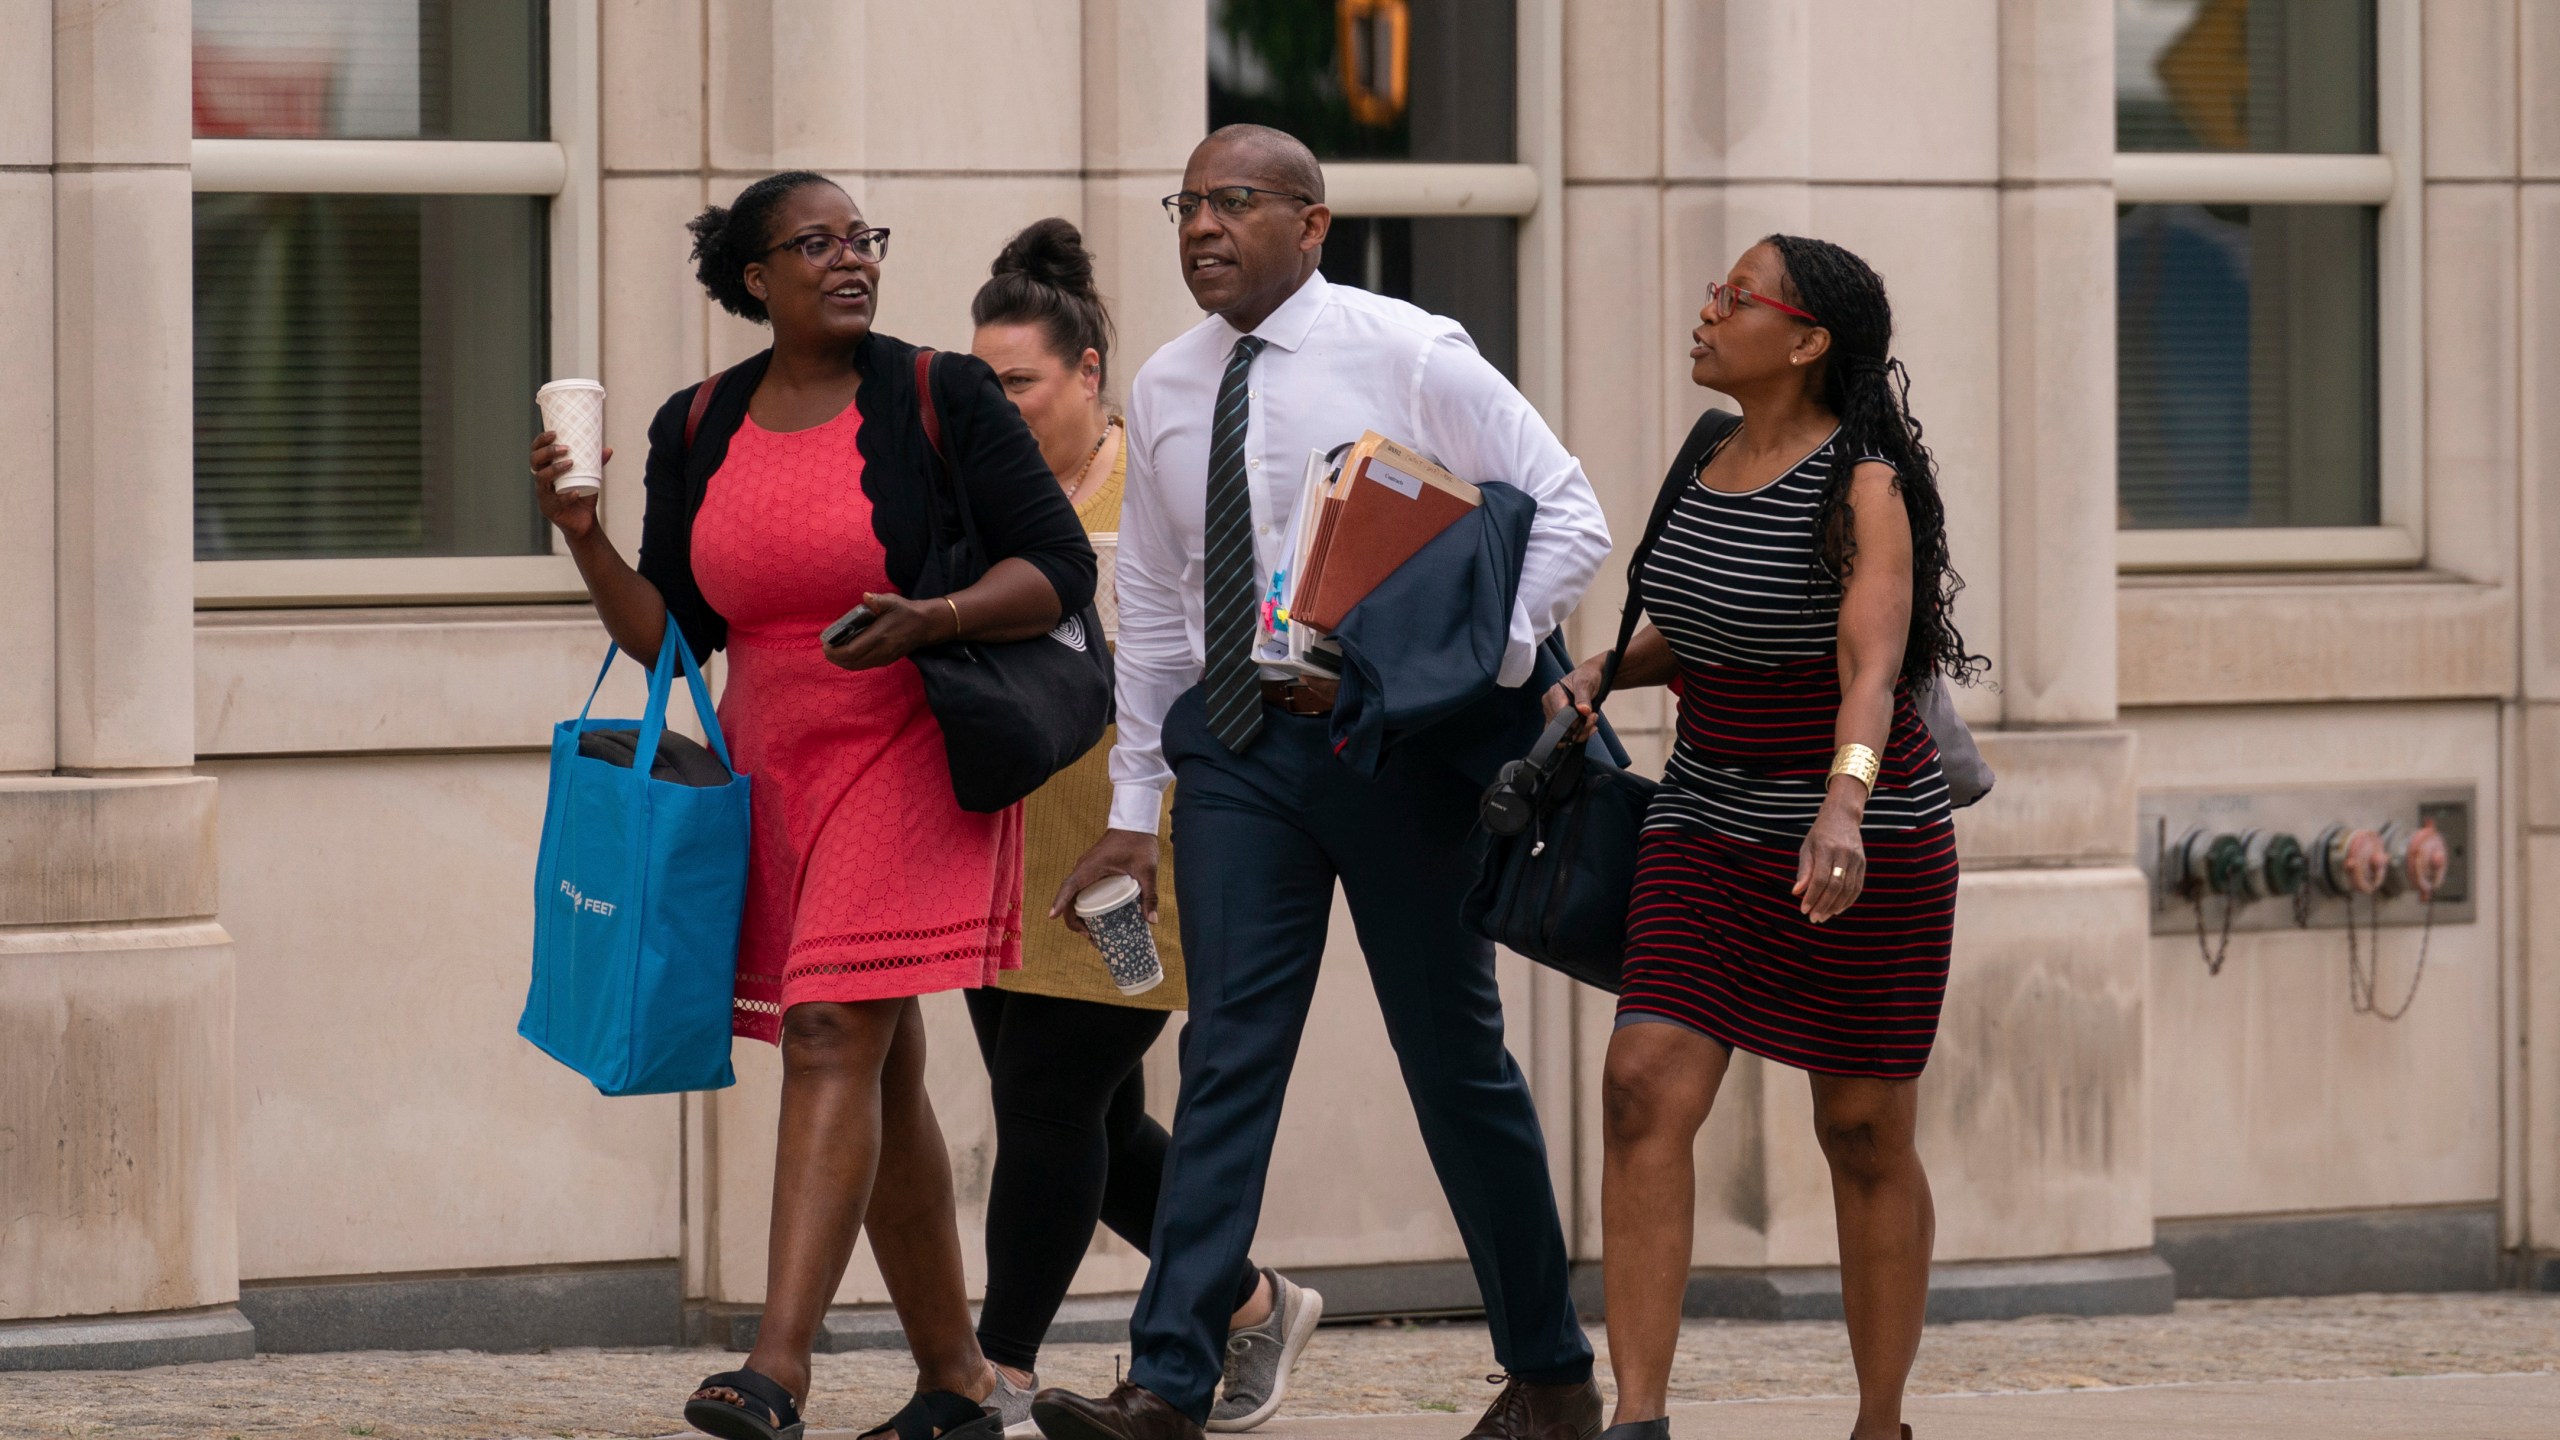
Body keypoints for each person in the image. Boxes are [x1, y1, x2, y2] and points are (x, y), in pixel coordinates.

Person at [1030, 125, 1613, 1440]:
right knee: (1226, 1051)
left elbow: (1570, 514)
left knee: (1453, 1062)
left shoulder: (1408, 351)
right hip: (1241, 755)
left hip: (1400, 753)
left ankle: (1552, 1373)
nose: (1200, 227)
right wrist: (1135, 810)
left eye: (1234, 202)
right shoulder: (1174, 384)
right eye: (1184, 204)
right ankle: (1170, 1382)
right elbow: (1165, 612)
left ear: (1313, 222)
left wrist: (1476, 666)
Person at [531, 171, 1095, 1440]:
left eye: (862, 239)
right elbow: (676, 635)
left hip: (912, 741)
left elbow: (1055, 568)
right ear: (753, 279)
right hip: (773, 766)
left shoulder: (937, 392)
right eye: (815, 243)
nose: (851, 260)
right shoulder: (696, 425)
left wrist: (930, 617)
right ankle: (955, 1384)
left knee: (834, 1029)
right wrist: (580, 531)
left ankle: (774, 1369)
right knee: (878, 1066)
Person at [1546, 237, 1982, 1440]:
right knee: (1639, 1088)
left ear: (1804, 343)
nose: (1704, 309)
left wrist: (1841, 806)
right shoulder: (1706, 455)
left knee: (1859, 1128)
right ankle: (1637, 1417)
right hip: (1702, 815)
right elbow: (1697, 624)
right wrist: (1605, 666)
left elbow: (1871, 663)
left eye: (1735, 297)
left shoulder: (1865, 484)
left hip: (1860, 834)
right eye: (1711, 289)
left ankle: (1878, 1421)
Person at [962, 218, 1321, 1436]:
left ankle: (995, 1369)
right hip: (999, 855)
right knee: (1101, 1126)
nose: (1001, 404)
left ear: (1087, 376)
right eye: (985, 382)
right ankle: (1254, 1302)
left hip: (1135, 860)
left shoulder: (1152, 481)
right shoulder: (984, 504)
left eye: (1021, 381)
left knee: (1050, 1107)